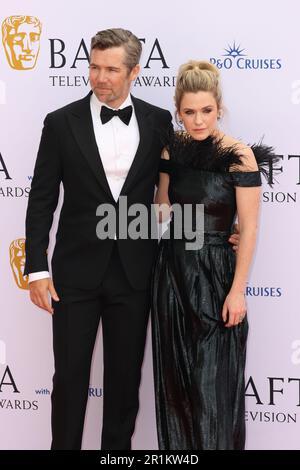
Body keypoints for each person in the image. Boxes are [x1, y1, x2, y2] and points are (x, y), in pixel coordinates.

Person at [24, 29, 238, 450]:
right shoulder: (60, 122)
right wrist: (36, 267)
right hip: (74, 275)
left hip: (137, 274)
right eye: (94, 67)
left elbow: (185, 183)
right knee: (69, 380)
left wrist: (220, 226)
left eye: (112, 69)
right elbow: (41, 199)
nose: (100, 77)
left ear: (135, 71)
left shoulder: (160, 121)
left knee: (124, 385)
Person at [152, 60, 275, 450]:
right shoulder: (172, 151)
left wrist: (238, 290)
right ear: (178, 111)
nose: (198, 120)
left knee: (212, 388)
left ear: (219, 107)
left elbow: (251, 228)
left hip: (217, 274)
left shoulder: (240, 156)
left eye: (206, 110)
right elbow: (161, 209)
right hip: (172, 271)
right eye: (189, 112)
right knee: (175, 383)